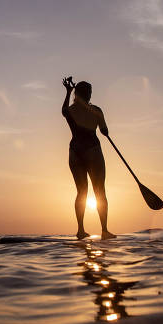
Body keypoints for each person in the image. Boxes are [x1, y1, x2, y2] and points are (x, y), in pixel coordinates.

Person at [62, 77, 115, 240]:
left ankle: (80, 230)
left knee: (81, 192)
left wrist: (67, 92)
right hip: (92, 151)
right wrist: (103, 130)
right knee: (100, 191)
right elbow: (104, 130)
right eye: (90, 92)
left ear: (76, 94)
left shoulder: (70, 109)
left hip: (75, 151)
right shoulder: (97, 110)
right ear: (89, 94)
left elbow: (63, 111)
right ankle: (104, 231)